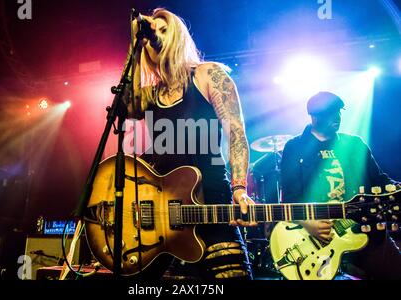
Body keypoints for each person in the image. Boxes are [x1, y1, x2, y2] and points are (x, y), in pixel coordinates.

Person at [121, 8, 256, 280]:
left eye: (163, 30)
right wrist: (135, 42)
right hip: (165, 223)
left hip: (211, 209)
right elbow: (125, 106)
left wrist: (239, 188)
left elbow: (236, 133)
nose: (156, 38)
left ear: (179, 38)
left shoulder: (208, 75)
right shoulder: (148, 95)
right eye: (151, 34)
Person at [280, 91, 401, 279]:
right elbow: (290, 198)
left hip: (365, 229)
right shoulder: (295, 148)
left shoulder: (354, 144)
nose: (336, 117)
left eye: (338, 112)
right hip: (321, 240)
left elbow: (381, 181)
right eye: (330, 113)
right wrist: (307, 222)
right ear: (314, 117)